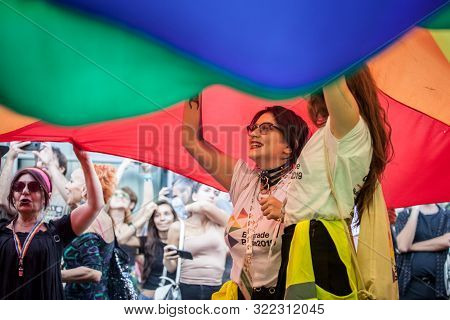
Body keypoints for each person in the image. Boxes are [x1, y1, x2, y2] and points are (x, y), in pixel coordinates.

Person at [272, 66, 393, 300]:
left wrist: (327, 39)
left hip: (319, 243)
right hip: (302, 241)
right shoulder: (329, 132)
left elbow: (331, 68)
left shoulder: (349, 127)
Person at [181, 96, 309, 299]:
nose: (254, 134)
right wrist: (194, 85)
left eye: (266, 128)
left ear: (289, 146)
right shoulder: (245, 181)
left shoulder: (303, 187)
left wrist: (287, 214)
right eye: (253, 128)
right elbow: (191, 141)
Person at [0, 145, 104, 299]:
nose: (25, 191)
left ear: (45, 197)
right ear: (13, 196)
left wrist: (85, 160)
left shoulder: (56, 230)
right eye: (18, 187)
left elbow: (94, 205)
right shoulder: (2, 229)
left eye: (34, 187)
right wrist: (9, 158)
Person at [163, 183, 229, 300]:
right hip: (187, 289)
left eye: (216, 193)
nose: (212, 195)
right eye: (207, 190)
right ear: (194, 195)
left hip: (217, 288)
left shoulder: (222, 224)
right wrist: (167, 259)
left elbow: (204, 207)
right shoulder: (178, 227)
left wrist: (186, 208)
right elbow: (171, 268)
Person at [61, 164, 117, 300]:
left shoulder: (88, 222)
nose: (66, 186)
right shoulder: (104, 216)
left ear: (86, 189)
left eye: (71, 181)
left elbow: (94, 272)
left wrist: (49, 275)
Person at [395, 204, 449, 299]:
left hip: (439, 287)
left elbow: (446, 241)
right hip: (410, 285)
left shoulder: (446, 215)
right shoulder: (405, 215)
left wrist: (411, 247)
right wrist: (415, 211)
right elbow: (402, 246)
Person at [139, 200, 178, 299]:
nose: (162, 219)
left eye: (166, 214)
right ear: (153, 220)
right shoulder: (147, 242)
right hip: (148, 299)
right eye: (157, 215)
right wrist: (145, 217)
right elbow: (122, 239)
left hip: (173, 299)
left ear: (174, 217)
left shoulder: (183, 242)